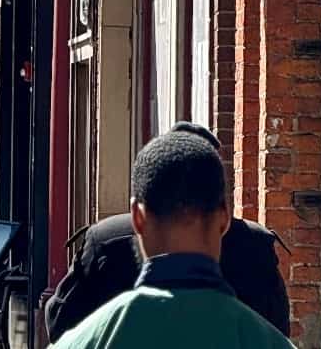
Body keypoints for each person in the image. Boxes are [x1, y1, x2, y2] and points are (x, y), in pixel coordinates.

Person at [45, 123, 289, 341]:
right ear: (222, 216)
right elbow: (279, 322)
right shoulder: (254, 244)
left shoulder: (106, 239)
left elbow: (59, 320)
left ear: (138, 218)